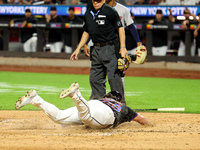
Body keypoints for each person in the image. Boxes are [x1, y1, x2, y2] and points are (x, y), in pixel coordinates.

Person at [15, 82, 150, 129]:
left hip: (92, 104)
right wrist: (151, 126)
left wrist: (68, 124)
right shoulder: (123, 108)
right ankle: (75, 95)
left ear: (107, 97)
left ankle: (35, 99)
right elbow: (141, 119)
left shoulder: (102, 99)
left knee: (60, 117)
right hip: (105, 115)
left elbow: (67, 123)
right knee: (87, 116)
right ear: (118, 100)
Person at [70, 0, 127, 102]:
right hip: (96, 49)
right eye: (94, 0)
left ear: (104, 0)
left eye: (99, 0)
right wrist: (78, 48)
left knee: (114, 79)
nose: (96, 2)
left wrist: (122, 47)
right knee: (95, 79)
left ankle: (120, 106)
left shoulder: (110, 11)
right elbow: (86, 32)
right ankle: (98, 104)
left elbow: (120, 29)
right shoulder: (88, 13)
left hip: (110, 47)